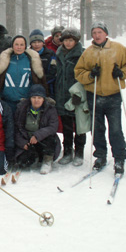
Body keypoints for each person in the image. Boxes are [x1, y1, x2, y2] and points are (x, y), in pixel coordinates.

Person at [74, 21, 126, 174]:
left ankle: (119, 157)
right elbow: (78, 72)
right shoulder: (88, 52)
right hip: (94, 95)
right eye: (94, 33)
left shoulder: (118, 48)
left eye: (99, 32)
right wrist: (90, 75)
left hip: (113, 95)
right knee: (97, 128)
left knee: (115, 128)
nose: (97, 35)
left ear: (106, 33)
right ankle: (100, 155)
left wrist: (122, 73)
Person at [54, 27, 86, 166]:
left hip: (76, 94)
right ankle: (67, 151)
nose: (68, 43)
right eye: (65, 40)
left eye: (71, 40)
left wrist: (80, 93)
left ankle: (79, 152)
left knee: (79, 126)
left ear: (76, 41)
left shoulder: (82, 54)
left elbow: (84, 76)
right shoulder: (59, 52)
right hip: (61, 94)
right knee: (66, 126)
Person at [0, 35, 48, 114]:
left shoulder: (31, 60)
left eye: (21, 45)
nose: (19, 47)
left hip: (26, 103)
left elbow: (37, 81)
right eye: (16, 44)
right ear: (12, 46)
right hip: (6, 102)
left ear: (25, 46)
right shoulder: (5, 60)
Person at [14, 84, 60, 174]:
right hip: (27, 139)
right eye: (34, 97)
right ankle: (34, 157)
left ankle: (47, 160)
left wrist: (37, 135)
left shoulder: (50, 109)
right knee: (23, 163)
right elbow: (17, 128)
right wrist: (22, 143)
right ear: (30, 98)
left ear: (43, 99)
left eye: (39, 98)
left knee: (51, 138)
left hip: (43, 140)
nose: (36, 100)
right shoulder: (22, 108)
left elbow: (53, 127)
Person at [29, 29, 57, 97]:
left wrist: (42, 82)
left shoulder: (50, 54)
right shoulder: (27, 54)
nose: (37, 44)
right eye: (34, 42)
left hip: (48, 88)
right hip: (30, 87)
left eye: (39, 42)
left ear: (43, 42)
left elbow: (53, 71)